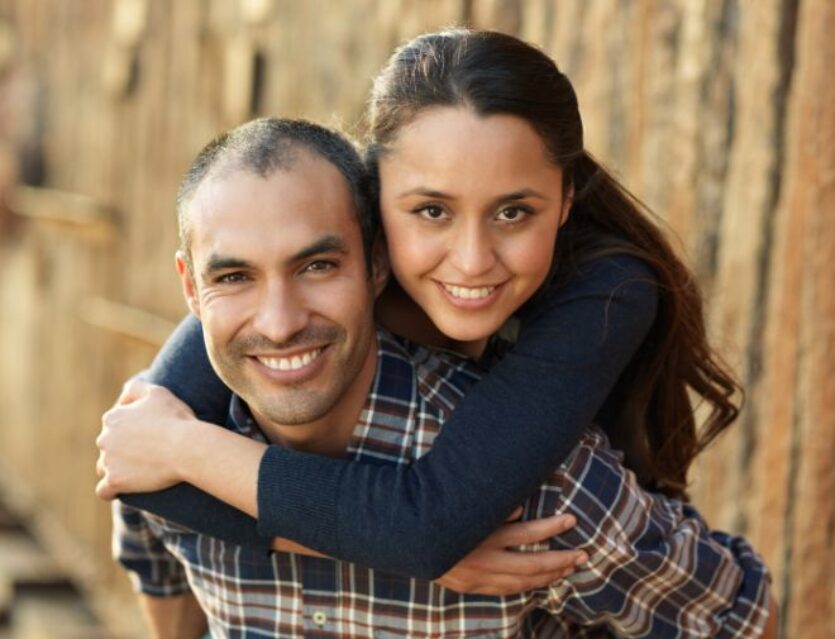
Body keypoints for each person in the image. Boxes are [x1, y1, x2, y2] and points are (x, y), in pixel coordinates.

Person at [109, 116, 772, 638]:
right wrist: (386, 548)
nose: (279, 322)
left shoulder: (528, 492)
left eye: (316, 266)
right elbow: (151, 554)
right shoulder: (165, 436)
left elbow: (736, 618)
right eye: (233, 276)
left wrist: (422, 539)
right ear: (190, 289)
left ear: (377, 265)